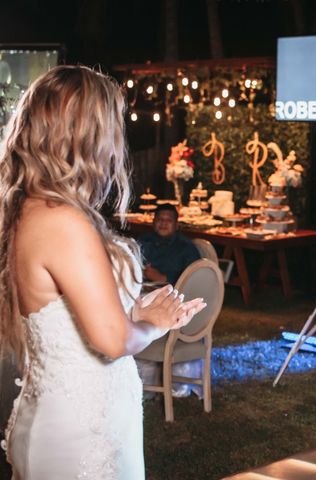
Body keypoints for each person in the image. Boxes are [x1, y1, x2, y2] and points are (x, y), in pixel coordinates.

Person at [0, 65, 206, 478]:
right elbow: (112, 341)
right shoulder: (62, 220)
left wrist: (132, 308)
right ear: (88, 134)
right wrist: (155, 323)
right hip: (81, 434)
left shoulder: (30, 207)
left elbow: (71, 315)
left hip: (72, 416)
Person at [138, 204, 201, 285]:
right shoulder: (143, 241)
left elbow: (194, 278)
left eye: (169, 220)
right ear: (153, 222)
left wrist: (163, 278)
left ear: (176, 225)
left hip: (172, 293)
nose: (163, 223)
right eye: (160, 219)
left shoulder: (186, 248)